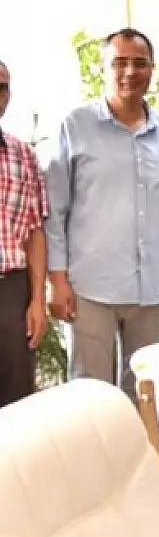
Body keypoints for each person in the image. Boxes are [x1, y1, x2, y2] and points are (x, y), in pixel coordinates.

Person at [45, 28, 159, 403]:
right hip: (90, 287)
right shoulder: (75, 126)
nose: (130, 72)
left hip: (153, 287)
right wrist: (57, 280)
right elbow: (55, 209)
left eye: (140, 63)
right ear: (102, 69)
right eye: (119, 63)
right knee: (89, 393)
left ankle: (140, 444)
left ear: (152, 69)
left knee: (146, 391)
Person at [0, 60, 48, 408]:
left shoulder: (23, 155)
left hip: (12, 292)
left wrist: (37, 301)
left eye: (2, 87)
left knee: (17, 402)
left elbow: (34, 233)